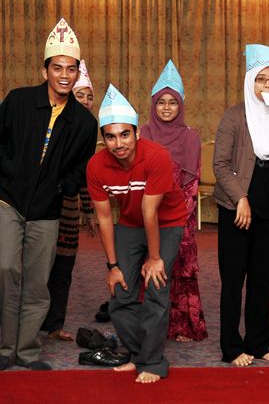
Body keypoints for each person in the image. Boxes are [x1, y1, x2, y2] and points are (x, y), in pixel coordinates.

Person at [0, 18, 98, 370]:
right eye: (57, 68)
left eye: (71, 69)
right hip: (7, 199)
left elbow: (81, 167)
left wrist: (63, 186)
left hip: (48, 209)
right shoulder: (19, 100)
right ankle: (7, 347)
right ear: (44, 70)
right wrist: (11, 168)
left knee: (36, 282)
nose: (64, 75)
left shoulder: (84, 123)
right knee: (5, 268)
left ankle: (28, 350)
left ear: (77, 73)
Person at [86, 84, 187, 383]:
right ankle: (138, 353)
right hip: (130, 224)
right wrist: (113, 266)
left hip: (167, 222)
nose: (119, 143)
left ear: (137, 133)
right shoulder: (95, 166)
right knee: (120, 292)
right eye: (111, 136)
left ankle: (153, 362)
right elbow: (105, 218)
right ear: (103, 139)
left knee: (156, 286)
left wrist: (154, 258)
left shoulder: (157, 156)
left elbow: (150, 212)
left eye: (125, 134)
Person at [213, 44, 269, 367]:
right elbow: (220, 165)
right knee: (234, 281)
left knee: (262, 280)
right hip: (237, 209)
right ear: (250, 81)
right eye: (261, 80)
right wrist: (241, 199)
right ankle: (232, 348)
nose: (267, 86)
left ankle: (259, 344)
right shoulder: (234, 116)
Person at [140, 60, 208, 342]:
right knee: (150, 264)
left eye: (172, 102)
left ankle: (182, 326)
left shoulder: (190, 137)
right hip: (148, 212)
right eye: (161, 102)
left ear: (181, 105)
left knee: (180, 267)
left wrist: (179, 218)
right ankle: (153, 324)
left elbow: (192, 183)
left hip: (181, 214)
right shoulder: (144, 134)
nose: (166, 108)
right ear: (153, 105)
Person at [41, 59, 98, 341]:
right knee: (40, 265)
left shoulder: (89, 129)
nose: (85, 101)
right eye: (80, 95)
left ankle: (54, 325)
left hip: (69, 209)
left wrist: (89, 212)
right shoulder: (53, 123)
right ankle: (33, 323)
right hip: (44, 206)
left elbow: (85, 178)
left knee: (63, 267)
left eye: (89, 96)